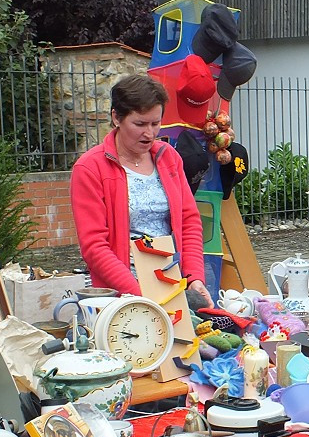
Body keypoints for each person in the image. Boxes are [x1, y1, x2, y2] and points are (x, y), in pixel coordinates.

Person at [71, 74, 212, 305]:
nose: (149, 133)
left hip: (171, 283)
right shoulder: (90, 168)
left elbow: (189, 221)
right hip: (120, 294)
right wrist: (139, 294)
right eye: (139, 124)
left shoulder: (170, 159)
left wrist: (195, 277)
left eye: (155, 123)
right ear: (116, 117)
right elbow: (94, 246)